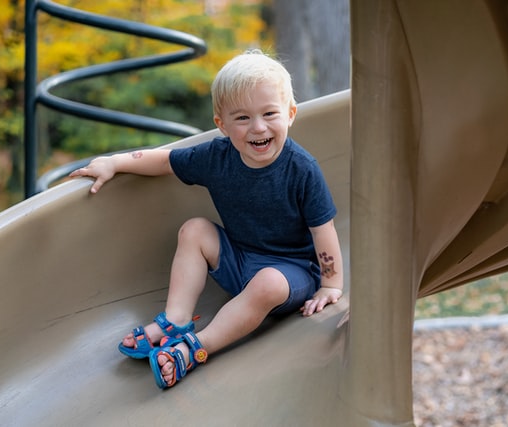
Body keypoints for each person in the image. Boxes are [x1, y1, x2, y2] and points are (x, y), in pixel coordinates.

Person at [69, 49, 344, 389]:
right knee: (195, 229)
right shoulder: (216, 156)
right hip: (240, 259)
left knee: (268, 283)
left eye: (269, 113)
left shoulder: (302, 168)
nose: (258, 127)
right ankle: (175, 320)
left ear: (290, 114)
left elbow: (323, 229)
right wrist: (115, 162)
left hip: (290, 273)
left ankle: (196, 347)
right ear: (221, 124)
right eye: (241, 118)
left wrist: (331, 284)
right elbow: (166, 161)